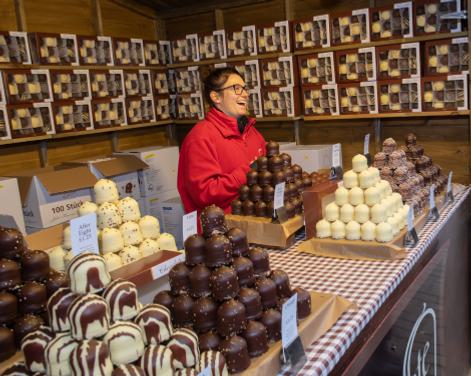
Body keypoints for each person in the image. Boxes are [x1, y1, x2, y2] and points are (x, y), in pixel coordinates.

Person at [177, 67, 266, 217]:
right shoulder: (200, 138)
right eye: (236, 88)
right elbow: (205, 193)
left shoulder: (252, 133)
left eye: (244, 88)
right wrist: (248, 172)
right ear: (216, 97)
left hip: (256, 223)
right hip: (218, 232)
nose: (245, 94)